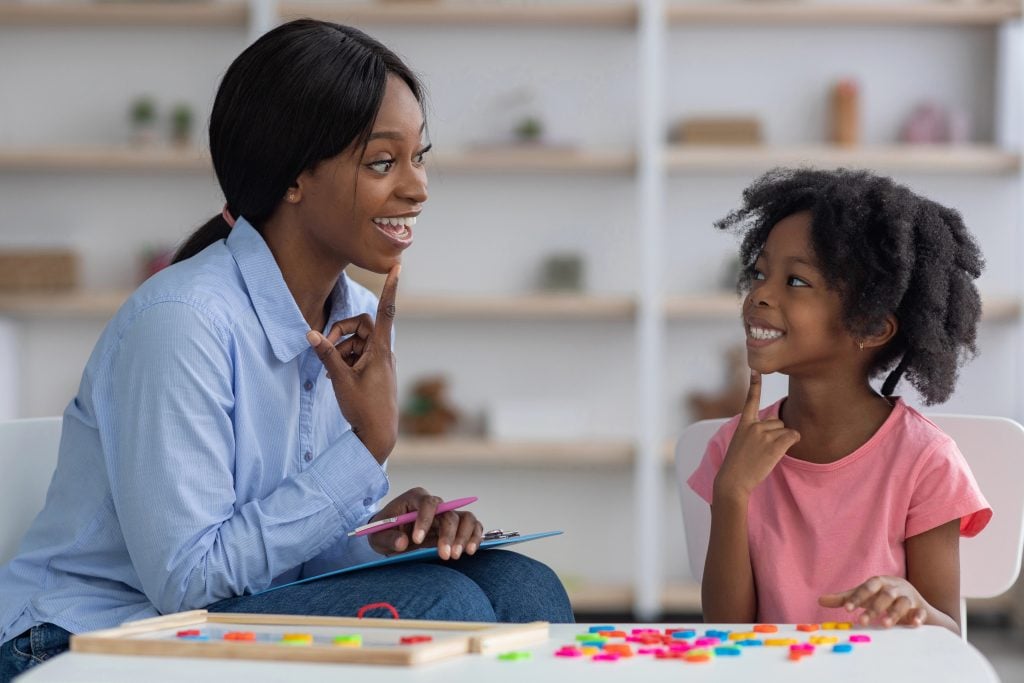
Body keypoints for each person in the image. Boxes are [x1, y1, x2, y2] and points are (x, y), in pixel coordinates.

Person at [0, 19, 571, 682]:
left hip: (211, 619)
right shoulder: (181, 322)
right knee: (443, 605)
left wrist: (379, 539)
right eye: (384, 162)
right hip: (75, 642)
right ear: (295, 177)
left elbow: (290, 558)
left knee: (522, 589)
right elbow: (190, 582)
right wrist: (366, 450)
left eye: (420, 157)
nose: (418, 188)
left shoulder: (355, 317)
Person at [687, 167, 991, 635]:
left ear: (870, 326)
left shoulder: (925, 461)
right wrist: (732, 492)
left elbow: (947, 636)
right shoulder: (735, 447)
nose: (759, 296)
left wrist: (913, 605)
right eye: (761, 273)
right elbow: (726, 628)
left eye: (796, 282)